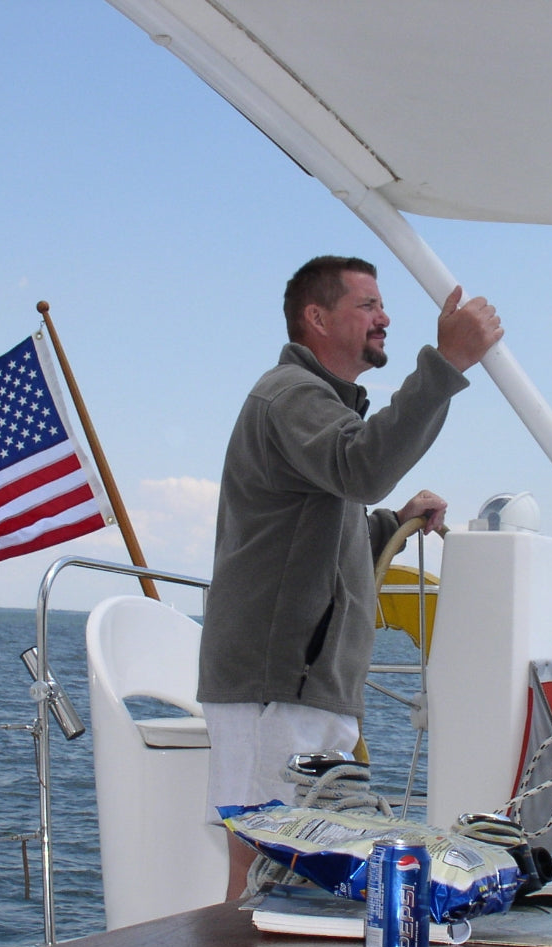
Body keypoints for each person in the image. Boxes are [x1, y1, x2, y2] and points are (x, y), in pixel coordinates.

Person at [198, 255, 503, 897]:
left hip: (298, 686)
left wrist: (392, 520)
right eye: (367, 305)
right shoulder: (291, 397)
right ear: (317, 317)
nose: (384, 317)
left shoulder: (316, 406)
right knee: (262, 866)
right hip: (278, 686)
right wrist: (445, 366)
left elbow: (322, 530)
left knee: (280, 868)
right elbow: (361, 466)